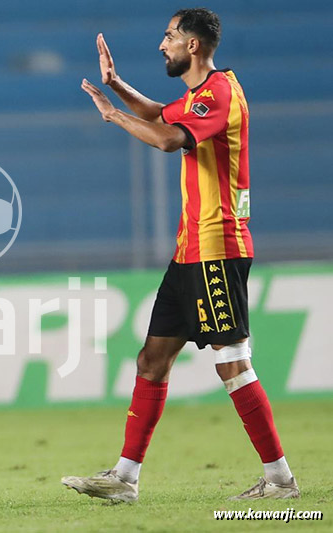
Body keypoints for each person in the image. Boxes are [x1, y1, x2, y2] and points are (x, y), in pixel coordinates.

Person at [62, 8, 299, 501]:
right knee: (152, 359)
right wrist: (118, 86)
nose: (161, 44)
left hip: (218, 246)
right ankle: (124, 479)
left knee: (232, 361)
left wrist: (112, 114)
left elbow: (170, 139)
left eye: (169, 36)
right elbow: (160, 115)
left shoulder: (218, 93)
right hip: (189, 250)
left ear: (193, 45)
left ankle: (280, 480)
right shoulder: (198, 95)